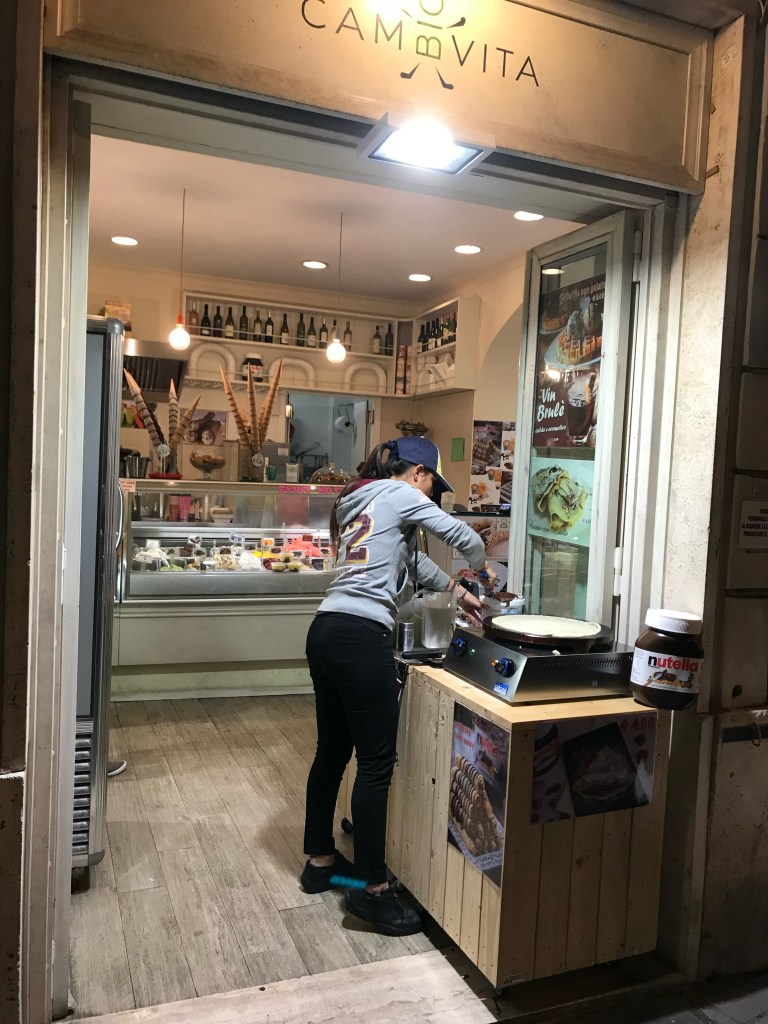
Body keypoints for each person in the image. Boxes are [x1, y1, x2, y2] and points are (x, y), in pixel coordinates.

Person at [300, 436, 497, 935]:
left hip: (325, 629)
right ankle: (372, 892)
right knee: (376, 765)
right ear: (417, 473)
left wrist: (457, 591)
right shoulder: (401, 492)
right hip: (360, 636)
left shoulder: (360, 499)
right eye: (433, 485)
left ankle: (320, 863)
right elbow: (466, 538)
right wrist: (480, 569)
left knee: (331, 752)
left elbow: (414, 565)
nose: (432, 496)